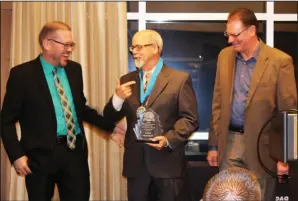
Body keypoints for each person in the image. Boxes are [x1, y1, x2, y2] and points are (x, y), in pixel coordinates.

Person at [1, 21, 124, 201]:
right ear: (47, 43)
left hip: (75, 155)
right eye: (65, 44)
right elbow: (6, 120)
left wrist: (110, 128)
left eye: (71, 45)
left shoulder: (74, 69)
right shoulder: (22, 74)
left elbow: (80, 109)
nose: (69, 49)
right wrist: (16, 155)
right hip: (39, 158)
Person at [207, 8, 297, 201]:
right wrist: (213, 145)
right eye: (227, 34)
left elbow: (289, 114)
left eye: (235, 34)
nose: (230, 40)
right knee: (229, 196)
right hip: (230, 143)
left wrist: (286, 158)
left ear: (251, 31)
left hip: (264, 149)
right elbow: (217, 104)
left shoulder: (280, 61)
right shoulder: (224, 56)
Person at [103, 29, 198, 201]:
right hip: (136, 167)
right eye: (132, 48)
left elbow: (190, 119)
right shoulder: (126, 80)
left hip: (167, 166)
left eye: (139, 47)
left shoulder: (179, 79)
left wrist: (169, 139)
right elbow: (108, 117)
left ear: (154, 48)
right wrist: (117, 98)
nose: (134, 52)